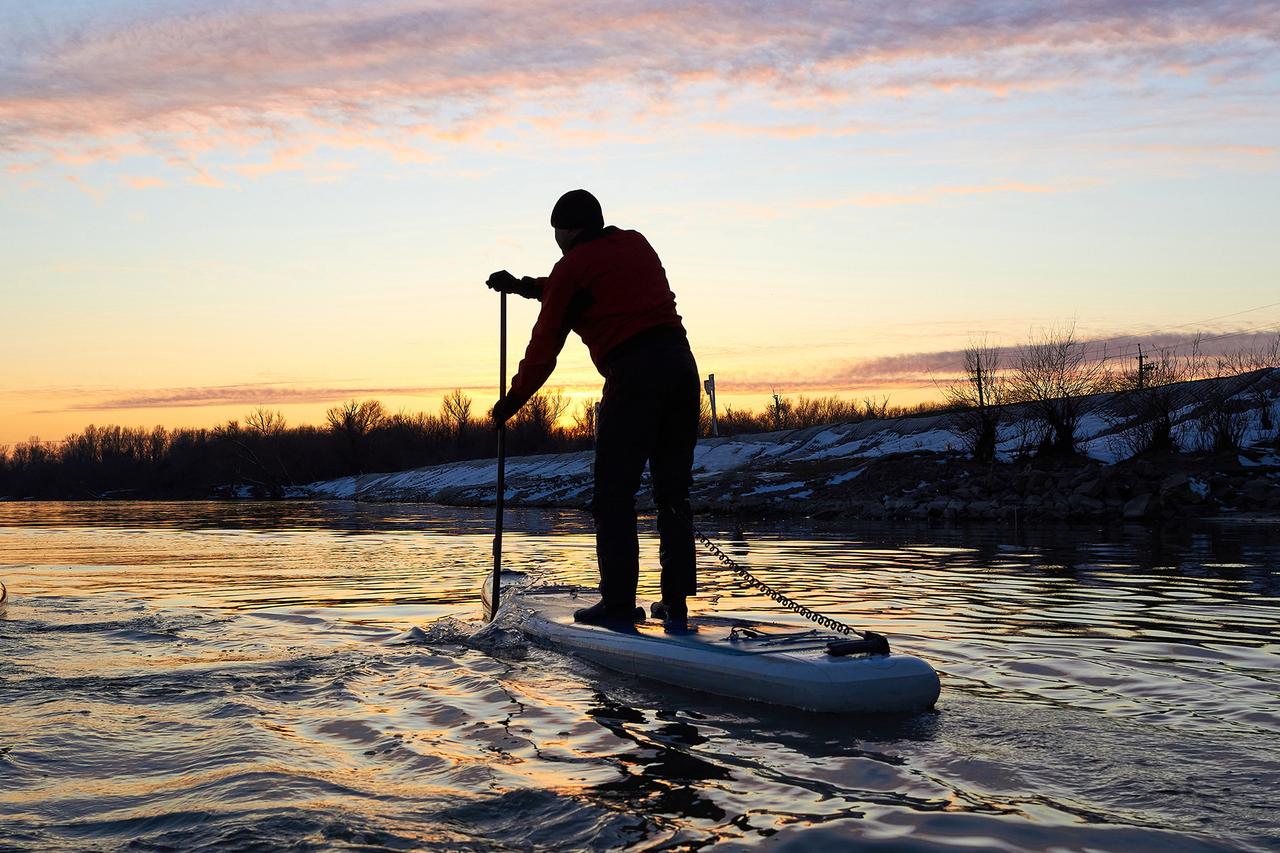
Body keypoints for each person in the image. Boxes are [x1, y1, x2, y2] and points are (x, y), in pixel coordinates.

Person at [486, 189, 699, 629]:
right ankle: (675, 602)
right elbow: (583, 291)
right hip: (681, 367)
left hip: (635, 375)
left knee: (613, 494)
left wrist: (509, 404)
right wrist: (524, 287)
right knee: (672, 492)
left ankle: (618, 605)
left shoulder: (571, 267)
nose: (556, 241)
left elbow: (544, 350)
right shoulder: (635, 243)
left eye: (557, 232)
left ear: (568, 229)